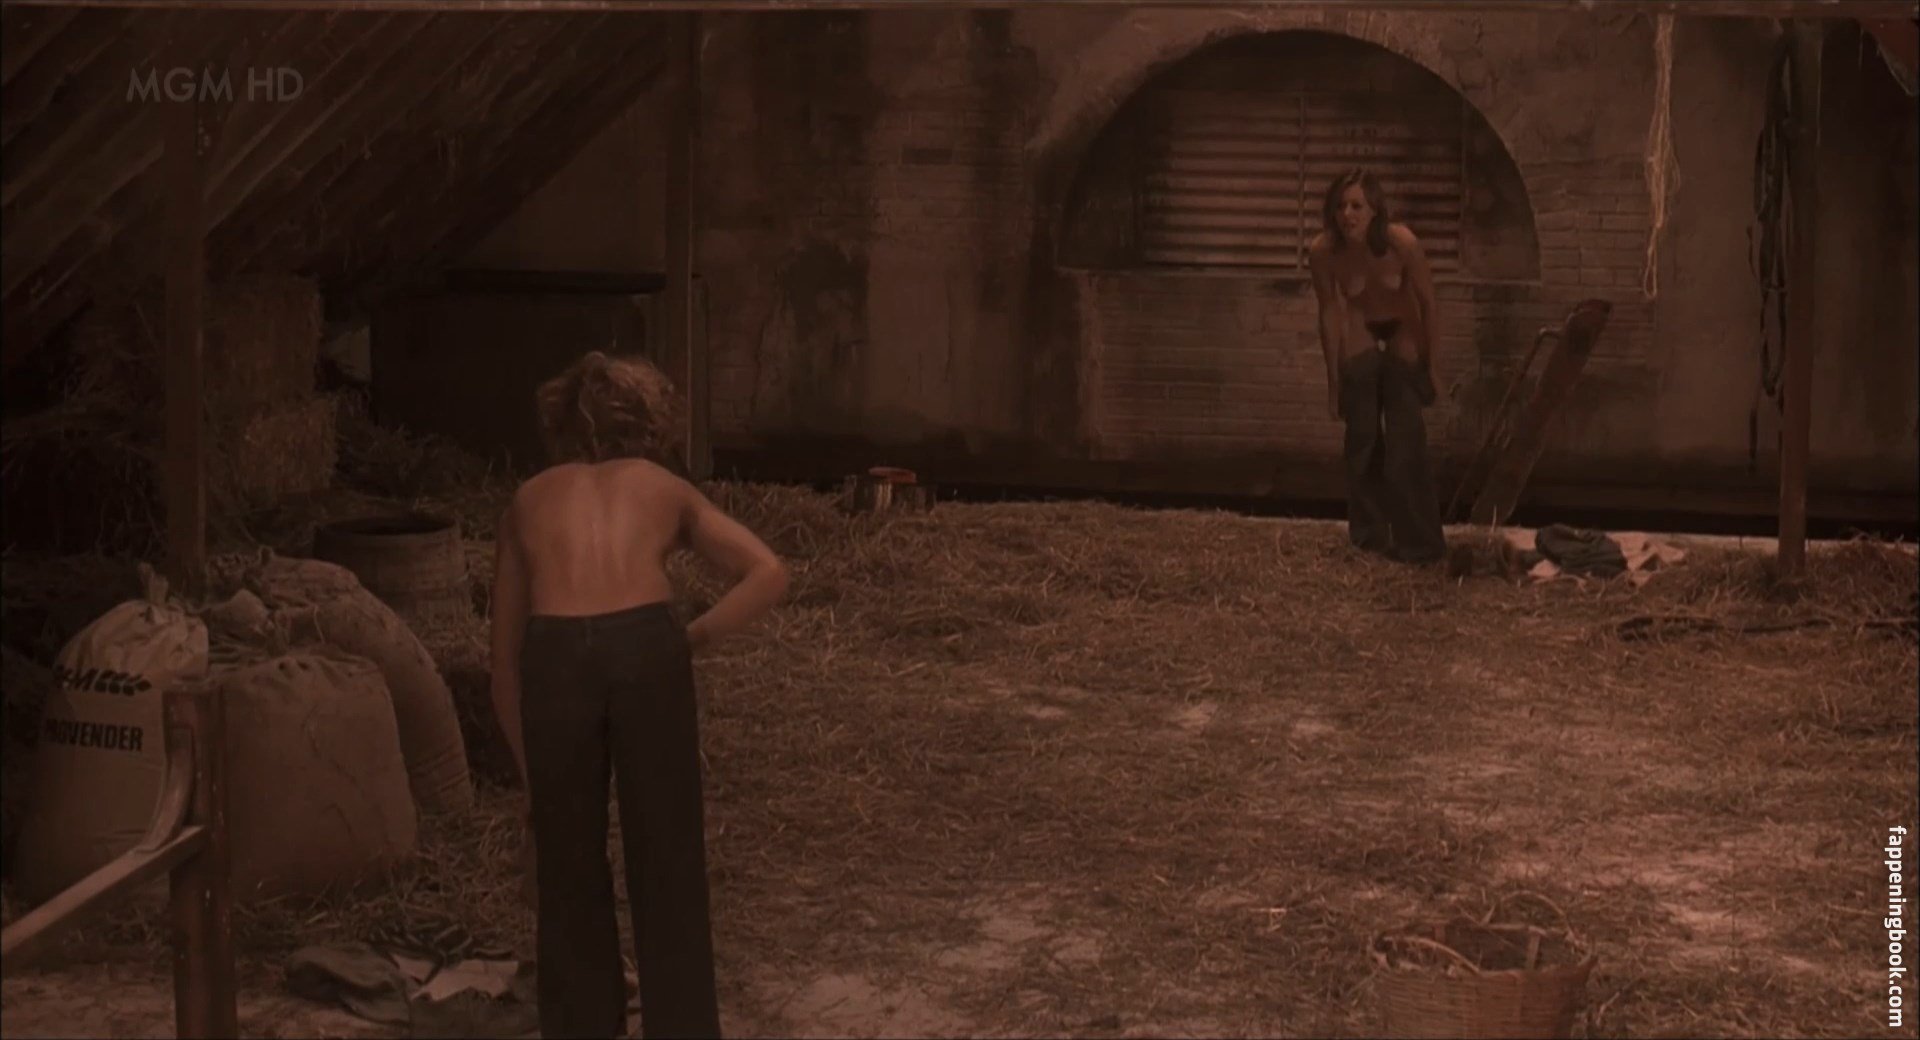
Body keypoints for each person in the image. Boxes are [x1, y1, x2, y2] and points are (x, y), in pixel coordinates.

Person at [489, 351, 789, 1039]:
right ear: (649, 421)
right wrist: (689, 638)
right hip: (647, 648)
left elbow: (502, 665)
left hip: (555, 656)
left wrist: (534, 783)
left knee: (567, 866)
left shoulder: (527, 500)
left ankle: (583, 1026)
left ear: (561, 424)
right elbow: (769, 571)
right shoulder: (663, 487)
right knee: (667, 853)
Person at [1307, 168, 1448, 565]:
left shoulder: (1401, 243)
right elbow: (1329, 313)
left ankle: (1419, 544)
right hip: (1361, 331)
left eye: (1357, 206)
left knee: (1405, 442)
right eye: (1340, 206)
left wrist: (1432, 367)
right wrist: (1333, 383)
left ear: (1374, 209)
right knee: (1362, 438)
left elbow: (1429, 304)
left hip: (1403, 328)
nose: (1347, 215)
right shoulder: (1323, 250)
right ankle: (1369, 539)